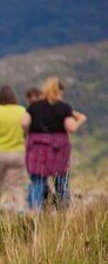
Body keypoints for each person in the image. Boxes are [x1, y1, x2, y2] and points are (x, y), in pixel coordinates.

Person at [22, 77, 87, 211]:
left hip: (37, 147)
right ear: (59, 92)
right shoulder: (64, 108)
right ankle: (62, 211)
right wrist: (81, 120)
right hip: (58, 148)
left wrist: (31, 132)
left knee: (37, 181)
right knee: (61, 180)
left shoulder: (34, 106)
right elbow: (71, 127)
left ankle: (35, 212)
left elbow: (24, 123)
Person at [0, 85, 27, 212]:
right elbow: (26, 129)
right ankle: (21, 213)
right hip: (17, 152)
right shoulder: (21, 110)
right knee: (17, 186)